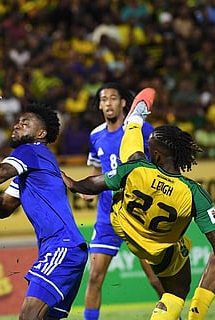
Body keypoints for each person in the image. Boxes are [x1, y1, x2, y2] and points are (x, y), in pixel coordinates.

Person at [62, 88, 215, 320]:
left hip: (124, 223)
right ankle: (196, 315)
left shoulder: (135, 167)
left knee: (131, 141)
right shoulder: (195, 194)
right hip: (158, 249)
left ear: (157, 155)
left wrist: (70, 182)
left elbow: (92, 183)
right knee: (176, 291)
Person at [0, 103, 88, 319]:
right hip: (65, 248)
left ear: (41, 133)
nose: (17, 125)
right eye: (18, 121)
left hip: (61, 246)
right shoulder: (32, 168)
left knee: (28, 316)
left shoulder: (30, 151)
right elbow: (4, 208)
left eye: (25, 123)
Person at [81, 83, 163, 320]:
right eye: (103, 99)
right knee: (95, 277)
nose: (108, 103)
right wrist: (90, 191)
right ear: (99, 105)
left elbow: (160, 162)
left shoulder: (141, 129)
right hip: (107, 215)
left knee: (155, 277)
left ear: (123, 103)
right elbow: (97, 171)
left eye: (113, 98)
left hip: (139, 214)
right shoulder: (95, 135)